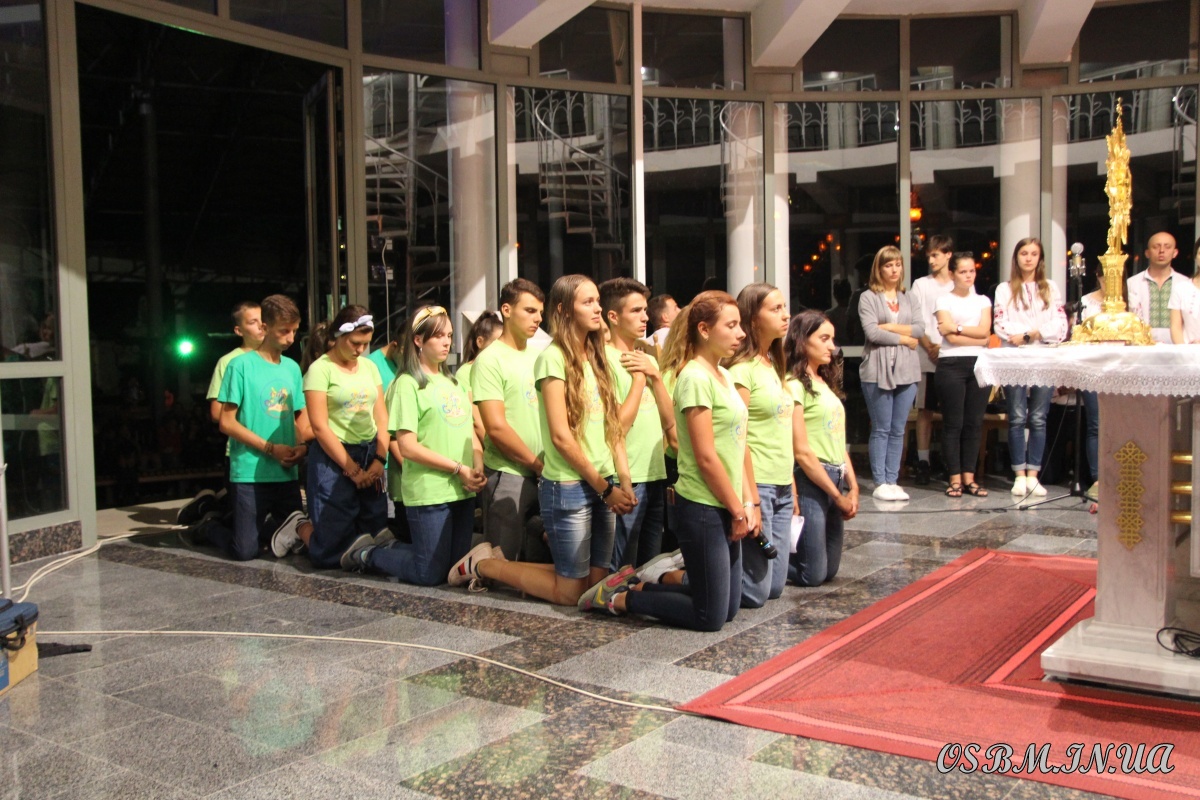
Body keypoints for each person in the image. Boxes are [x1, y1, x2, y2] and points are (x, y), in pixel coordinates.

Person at [449, 275, 636, 604]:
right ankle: (485, 564)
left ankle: (493, 563)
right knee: (569, 592)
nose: (598, 308)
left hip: (599, 478)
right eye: (588, 302)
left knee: (591, 586)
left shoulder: (596, 357)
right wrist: (604, 489)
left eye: (597, 300)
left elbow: (613, 427)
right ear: (564, 310)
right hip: (561, 480)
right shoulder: (548, 357)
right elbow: (550, 435)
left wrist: (624, 480)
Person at [578, 291, 756, 631]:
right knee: (710, 618)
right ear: (704, 330)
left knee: (729, 609)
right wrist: (737, 510)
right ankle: (622, 599)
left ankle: (642, 587)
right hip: (702, 504)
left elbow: (738, 444)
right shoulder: (695, 377)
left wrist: (749, 502)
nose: (741, 333)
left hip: (726, 499)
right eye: (731, 326)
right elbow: (705, 457)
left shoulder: (724, 375)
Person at [342, 305, 488, 581]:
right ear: (418, 340)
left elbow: (470, 432)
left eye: (449, 335)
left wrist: (477, 465)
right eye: (438, 336)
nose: (446, 342)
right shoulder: (406, 384)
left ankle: (391, 547)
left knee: (452, 569)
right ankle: (368, 554)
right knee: (428, 573)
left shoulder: (455, 383)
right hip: (429, 490)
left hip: (463, 489)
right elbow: (407, 447)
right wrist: (458, 468)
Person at [191, 295, 312, 561]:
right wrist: (270, 448)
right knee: (245, 551)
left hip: (285, 471)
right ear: (265, 327)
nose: (290, 338)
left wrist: (302, 447)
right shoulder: (240, 365)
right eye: (284, 331)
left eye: (294, 331)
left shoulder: (292, 367)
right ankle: (210, 526)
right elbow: (226, 421)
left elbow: (297, 418)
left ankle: (237, 521)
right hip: (250, 472)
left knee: (294, 538)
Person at [302, 305, 391, 570]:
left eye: (365, 344)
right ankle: (299, 529)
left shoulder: (369, 367)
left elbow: (382, 416)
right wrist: (350, 468)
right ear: (338, 336)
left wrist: (379, 459)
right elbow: (319, 426)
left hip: (369, 451)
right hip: (334, 456)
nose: (360, 349)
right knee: (331, 548)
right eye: (355, 343)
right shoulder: (320, 369)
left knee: (373, 529)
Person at [600, 278, 676, 572]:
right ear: (613, 316)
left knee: (649, 567)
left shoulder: (646, 359)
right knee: (621, 569)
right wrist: (640, 379)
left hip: (655, 472)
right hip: (625, 475)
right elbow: (617, 426)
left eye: (645, 310)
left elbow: (669, 421)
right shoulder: (603, 360)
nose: (645, 317)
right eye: (635, 311)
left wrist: (654, 376)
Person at [470, 279, 547, 561]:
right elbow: (496, 427)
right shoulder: (490, 360)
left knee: (537, 563)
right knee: (502, 562)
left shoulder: (540, 357)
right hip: (509, 473)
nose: (538, 319)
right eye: (530, 310)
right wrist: (536, 464)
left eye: (540, 312)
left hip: (544, 472)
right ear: (507, 310)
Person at [727, 282, 793, 607]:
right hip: (758, 484)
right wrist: (749, 498)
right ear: (753, 319)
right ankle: (679, 572)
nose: (786, 315)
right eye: (776, 309)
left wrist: (791, 483)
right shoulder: (742, 370)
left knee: (776, 587)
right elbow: (737, 437)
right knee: (754, 594)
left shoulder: (774, 365)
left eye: (784, 307)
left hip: (782, 483)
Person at [176, 301, 265, 526]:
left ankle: (212, 503)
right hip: (242, 452)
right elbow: (217, 413)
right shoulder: (228, 362)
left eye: (263, 320)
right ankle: (207, 517)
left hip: (274, 449)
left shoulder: (280, 361)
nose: (260, 326)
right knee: (243, 520)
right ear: (239, 330)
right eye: (252, 322)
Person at [993, 237, 1068, 497]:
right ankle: (1019, 475)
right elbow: (1001, 326)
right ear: (1016, 257)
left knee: (1038, 418)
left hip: (1043, 358)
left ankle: (1034, 475)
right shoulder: (1004, 289)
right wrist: (1031, 333)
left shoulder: (1050, 288)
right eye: (1024, 253)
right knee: (1016, 417)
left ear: (1040, 258)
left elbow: (1060, 326)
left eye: (1034, 254)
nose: (1028, 258)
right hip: (1015, 359)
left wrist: (1031, 334)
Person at [788, 310, 857, 587]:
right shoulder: (794, 385)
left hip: (836, 474)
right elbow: (801, 451)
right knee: (813, 574)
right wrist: (836, 495)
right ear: (803, 341)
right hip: (813, 478)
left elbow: (837, 440)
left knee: (830, 570)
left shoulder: (824, 382)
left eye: (833, 339)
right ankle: (769, 567)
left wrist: (853, 486)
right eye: (824, 339)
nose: (832, 346)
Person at [858, 246, 923, 502]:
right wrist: (904, 338)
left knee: (898, 429)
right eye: (888, 265)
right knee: (882, 428)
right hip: (877, 369)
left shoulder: (910, 298)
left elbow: (920, 329)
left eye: (897, 264)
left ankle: (893, 480)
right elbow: (872, 333)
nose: (894, 269)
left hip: (907, 370)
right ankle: (880, 481)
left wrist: (891, 327)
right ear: (879, 269)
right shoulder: (868, 297)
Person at [934, 253, 993, 498]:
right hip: (951, 364)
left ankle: (970, 477)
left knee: (974, 422)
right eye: (963, 271)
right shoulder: (943, 299)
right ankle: (954, 478)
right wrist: (971, 335)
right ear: (952, 274)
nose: (969, 275)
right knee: (953, 423)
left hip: (979, 363)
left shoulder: (982, 300)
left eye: (972, 271)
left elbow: (985, 333)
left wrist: (957, 327)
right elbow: (949, 338)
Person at [909, 235, 955, 485]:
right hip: (926, 355)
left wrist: (946, 346)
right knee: (925, 410)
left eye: (936, 254)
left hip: (952, 353)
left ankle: (951, 462)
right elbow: (916, 320)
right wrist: (929, 347)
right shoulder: (921, 284)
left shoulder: (958, 283)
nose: (931, 260)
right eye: (929, 255)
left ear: (948, 254)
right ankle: (923, 460)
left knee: (951, 412)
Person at [456, 311, 504, 443]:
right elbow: (476, 421)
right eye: (496, 344)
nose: (501, 349)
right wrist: (498, 447)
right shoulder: (464, 373)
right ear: (480, 342)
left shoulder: (502, 369)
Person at [1129, 231, 1185, 343]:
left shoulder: (1185, 284)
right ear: (1147, 253)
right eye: (1156, 247)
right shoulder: (1131, 283)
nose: (1161, 251)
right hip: (1140, 345)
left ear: (1175, 253)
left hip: (1178, 345)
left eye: (1167, 247)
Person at [1169, 235, 1200, 344]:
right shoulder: (1181, 288)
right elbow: (1175, 327)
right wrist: (1184, 350)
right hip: (1188, 351)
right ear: (1195, 257)